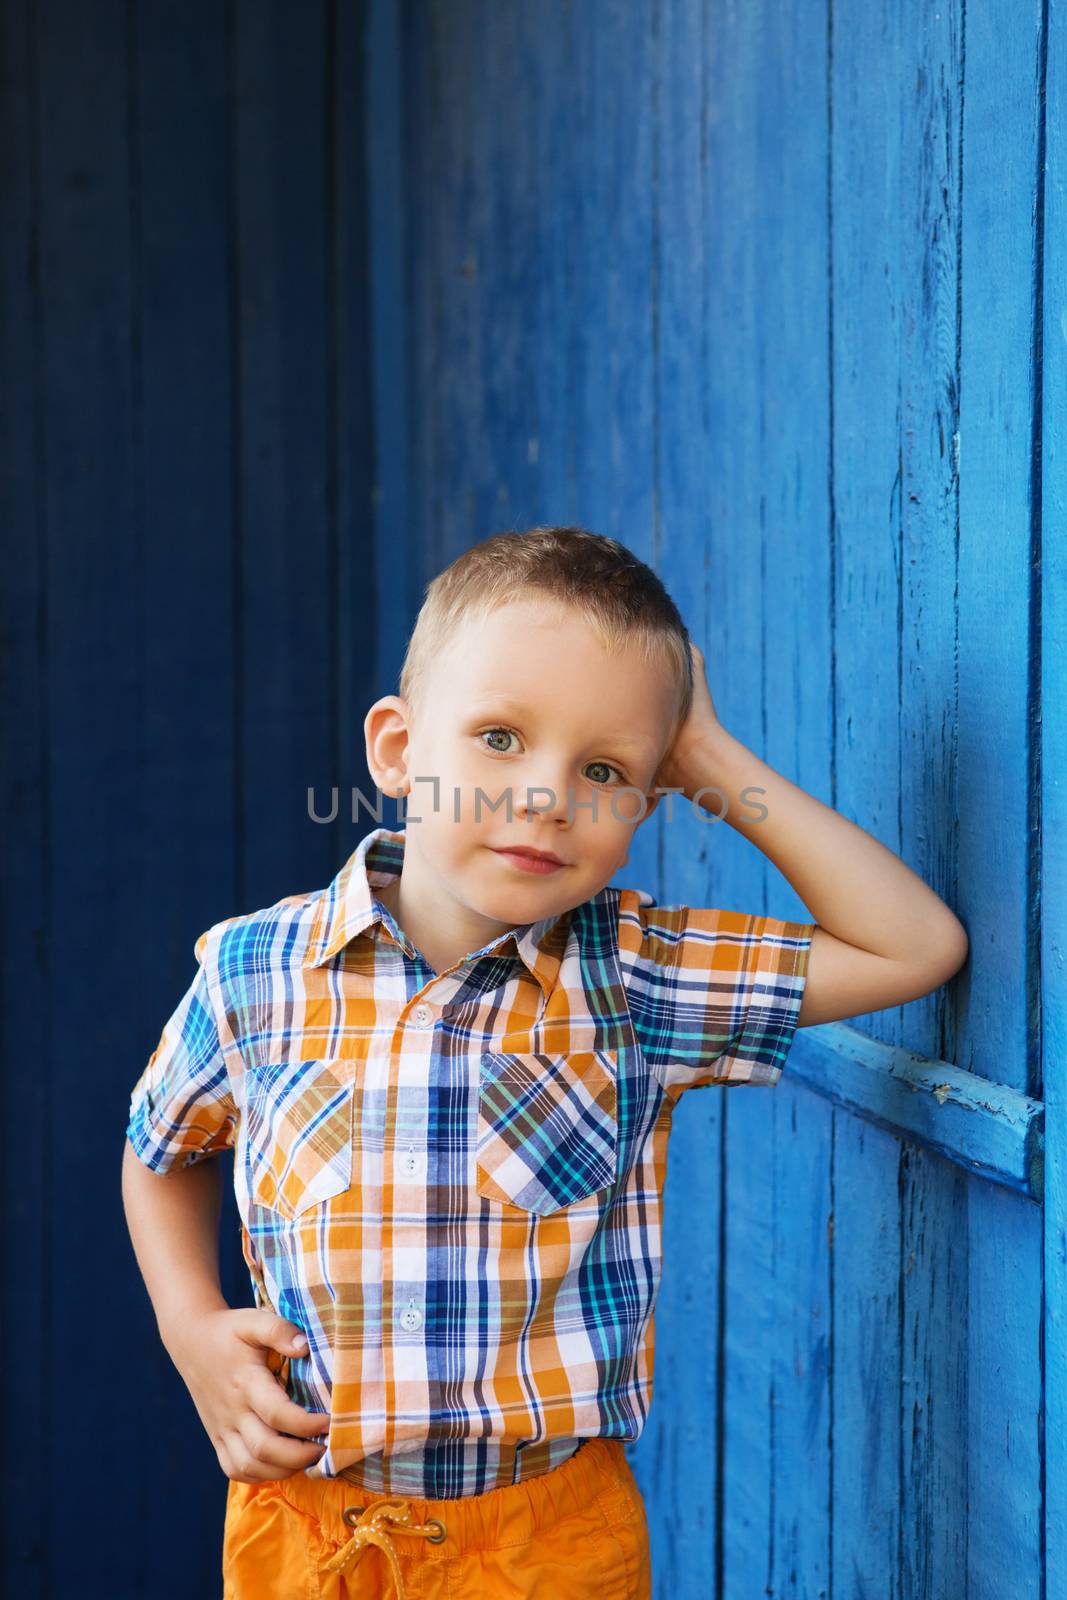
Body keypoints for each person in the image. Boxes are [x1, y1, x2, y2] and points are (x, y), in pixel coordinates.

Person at [122, 525, 969, 1599]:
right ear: (396, 749)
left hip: (548, 1545)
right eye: (498, 737)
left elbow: (913, 944)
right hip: (310, 1535)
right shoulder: (257, 971)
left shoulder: (632, 976)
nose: (544, 795)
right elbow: (162, 1149)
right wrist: (190, 1325)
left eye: (606, 768)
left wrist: (706, 757)